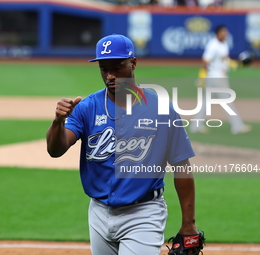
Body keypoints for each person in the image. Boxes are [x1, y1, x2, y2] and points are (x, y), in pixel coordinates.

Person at [47, 34, 199, 255]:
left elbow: (181, 166)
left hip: (143, 213)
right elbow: (55, 150)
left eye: (117, 67)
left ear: (133, 63)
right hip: (98, 212)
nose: (110, 75)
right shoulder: (86, 107)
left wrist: (189, 223)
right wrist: (58, 122)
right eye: (104, 68)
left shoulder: (162, 109)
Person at [190, 25, 251, 134]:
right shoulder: (213, 45)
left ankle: (195, 126)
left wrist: (238, 64)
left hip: (218, 76)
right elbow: (205, 61)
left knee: (206, 102)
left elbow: (225, 61)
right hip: (216, 76)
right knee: (227, 100)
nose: (225, 34)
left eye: (226, 32)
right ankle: (237, 126)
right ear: (217, 33)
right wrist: (201, 78)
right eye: (223, 32)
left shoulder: (223, 44)